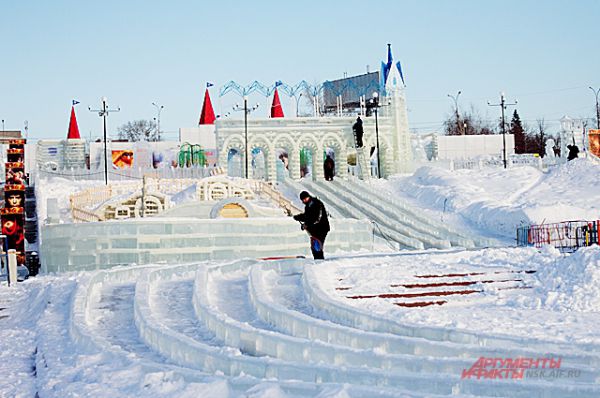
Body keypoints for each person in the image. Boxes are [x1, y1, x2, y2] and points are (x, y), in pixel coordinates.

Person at [293, 191, 330, 260]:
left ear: (308, 196)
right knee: (314, 247)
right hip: (315, 229)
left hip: (321, 228)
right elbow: (307, 216)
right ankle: (318, 261)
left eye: (305, 198)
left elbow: (317, 218)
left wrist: (306, 224)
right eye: (303, 200)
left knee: (317, 247)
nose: (304, 200)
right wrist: (298, 217)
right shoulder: (308, 206)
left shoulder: (316, 203)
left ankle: (320, 262)